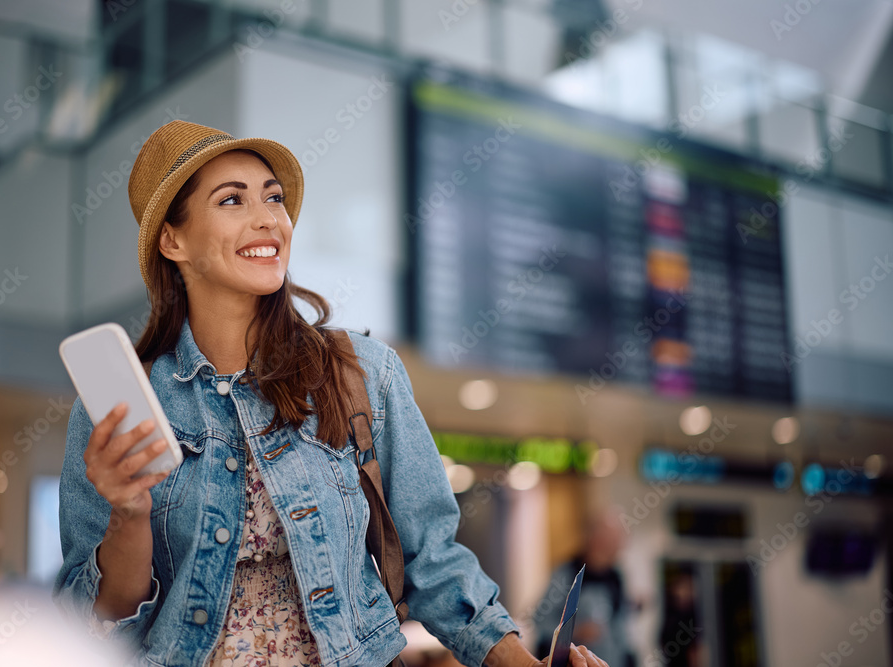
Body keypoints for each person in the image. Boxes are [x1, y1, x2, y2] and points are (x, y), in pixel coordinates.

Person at [52, 120, 611, 667]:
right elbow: (97, 614)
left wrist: (522, 663)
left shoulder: (362, 374)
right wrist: (128, 514)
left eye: (273, 198)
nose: (269, 219)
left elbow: (433, 560)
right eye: (232, 201)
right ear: (173, 240)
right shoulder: (119, 407)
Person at [533, 511, 635, 666]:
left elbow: (621, 628)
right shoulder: (566, 574)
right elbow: (540, 620)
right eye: (612, 539)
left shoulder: (617, 577)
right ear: (595, 539)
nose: (618, 546)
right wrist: (576, 631)